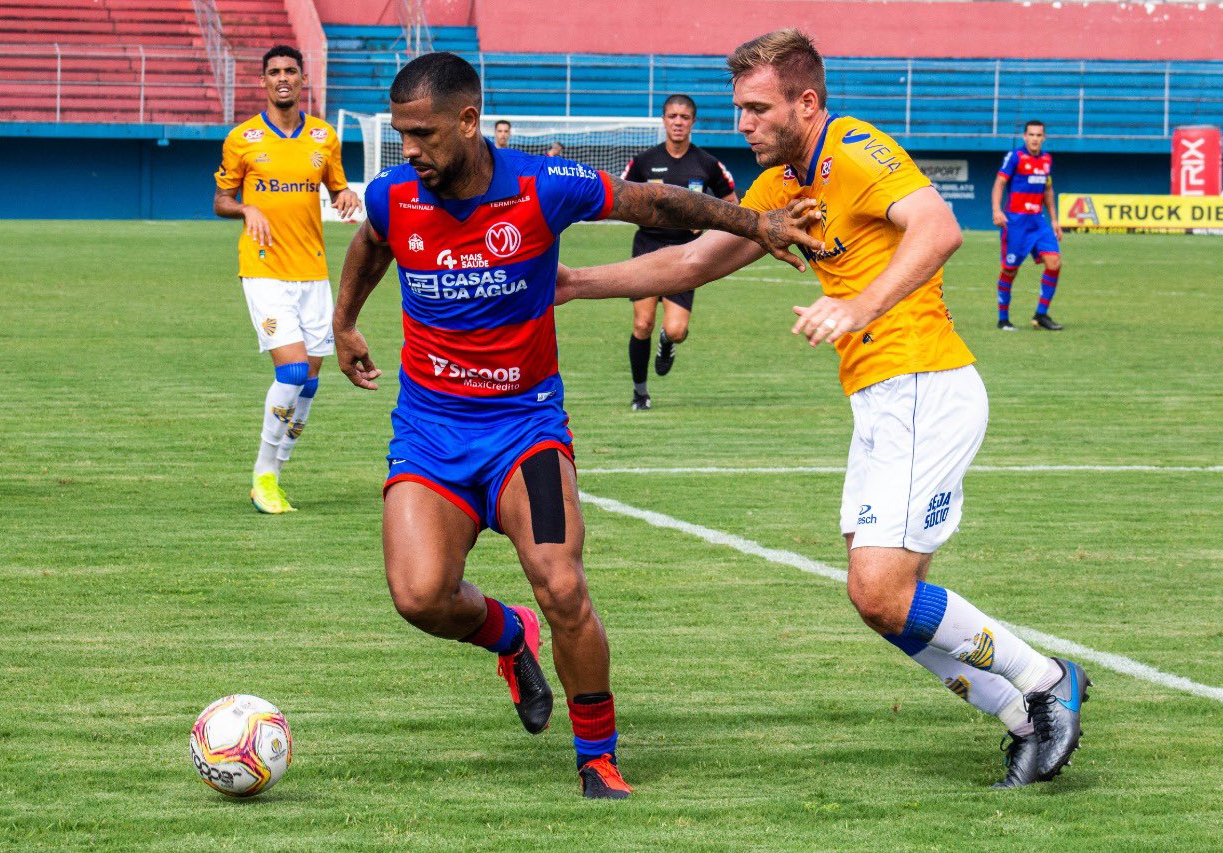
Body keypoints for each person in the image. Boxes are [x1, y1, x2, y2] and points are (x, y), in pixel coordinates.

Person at [555, 29, 1090, 789]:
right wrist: (576, 283)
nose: (741, 123)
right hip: (881, 399)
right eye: (737, 108)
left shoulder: (857, 149)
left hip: (923, 383)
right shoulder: (778, 189)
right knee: (880, 602)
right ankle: (1023, 716)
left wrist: (858, 306)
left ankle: (1046, 682)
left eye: (756, 108)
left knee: (880, 588)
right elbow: (687, 261)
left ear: (806, 103)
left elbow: (938, 228)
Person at [333, 52, 818, 799]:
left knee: (562, 583)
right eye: (402, 136)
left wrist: (755, 220)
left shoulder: (540, 185)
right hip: (429, 433)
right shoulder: (393, 194)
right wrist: (345, 324)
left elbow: (654, 206)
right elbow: (371, 244)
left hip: (525, 429)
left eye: (424, 134)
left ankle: (597, 754)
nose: (412, 151)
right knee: (420, 596)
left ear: (468, 121)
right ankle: (507, 635)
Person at [214, 44, 363, 513]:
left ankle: (276, 472)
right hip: (264, 270)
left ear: (302, 80)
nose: (283, 78)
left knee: (311, 382)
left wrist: (345, 198)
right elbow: (220, 200)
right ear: (263, 81)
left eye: (290, 71)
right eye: (274, 71)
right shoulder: (242, 138)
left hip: (312, 272)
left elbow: (337, 186)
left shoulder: (323, 137)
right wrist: (246, 206)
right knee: (293, 371)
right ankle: (263, 476)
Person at [620, 95, 737, 410]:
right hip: (647, 248)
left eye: (684, 117)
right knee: (642, 323)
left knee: (677, 329)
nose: (678, 122)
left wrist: (710, 223)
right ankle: (640, 393)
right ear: (663, 119)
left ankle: (667, 343)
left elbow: (732, 202)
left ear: (693, 122)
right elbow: (621, 200)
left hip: (685, 253)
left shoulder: (707, 163)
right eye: (672, 116)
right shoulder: (643, 161)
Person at [991, 121, 1064, 331]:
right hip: (1016, 222)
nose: (1034, 138)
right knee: (1010, 269)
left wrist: (1054, 220)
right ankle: (1003, 319)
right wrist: (997, 210)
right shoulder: (1015, 157)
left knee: (1054, 262)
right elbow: (999, 183)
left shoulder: (1046, 160)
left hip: (1038, 221)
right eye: (1031, 134)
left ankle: (1041, 315)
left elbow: (1047, 191)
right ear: (1025, 136)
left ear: (1044, 138)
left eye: (1039, 135)